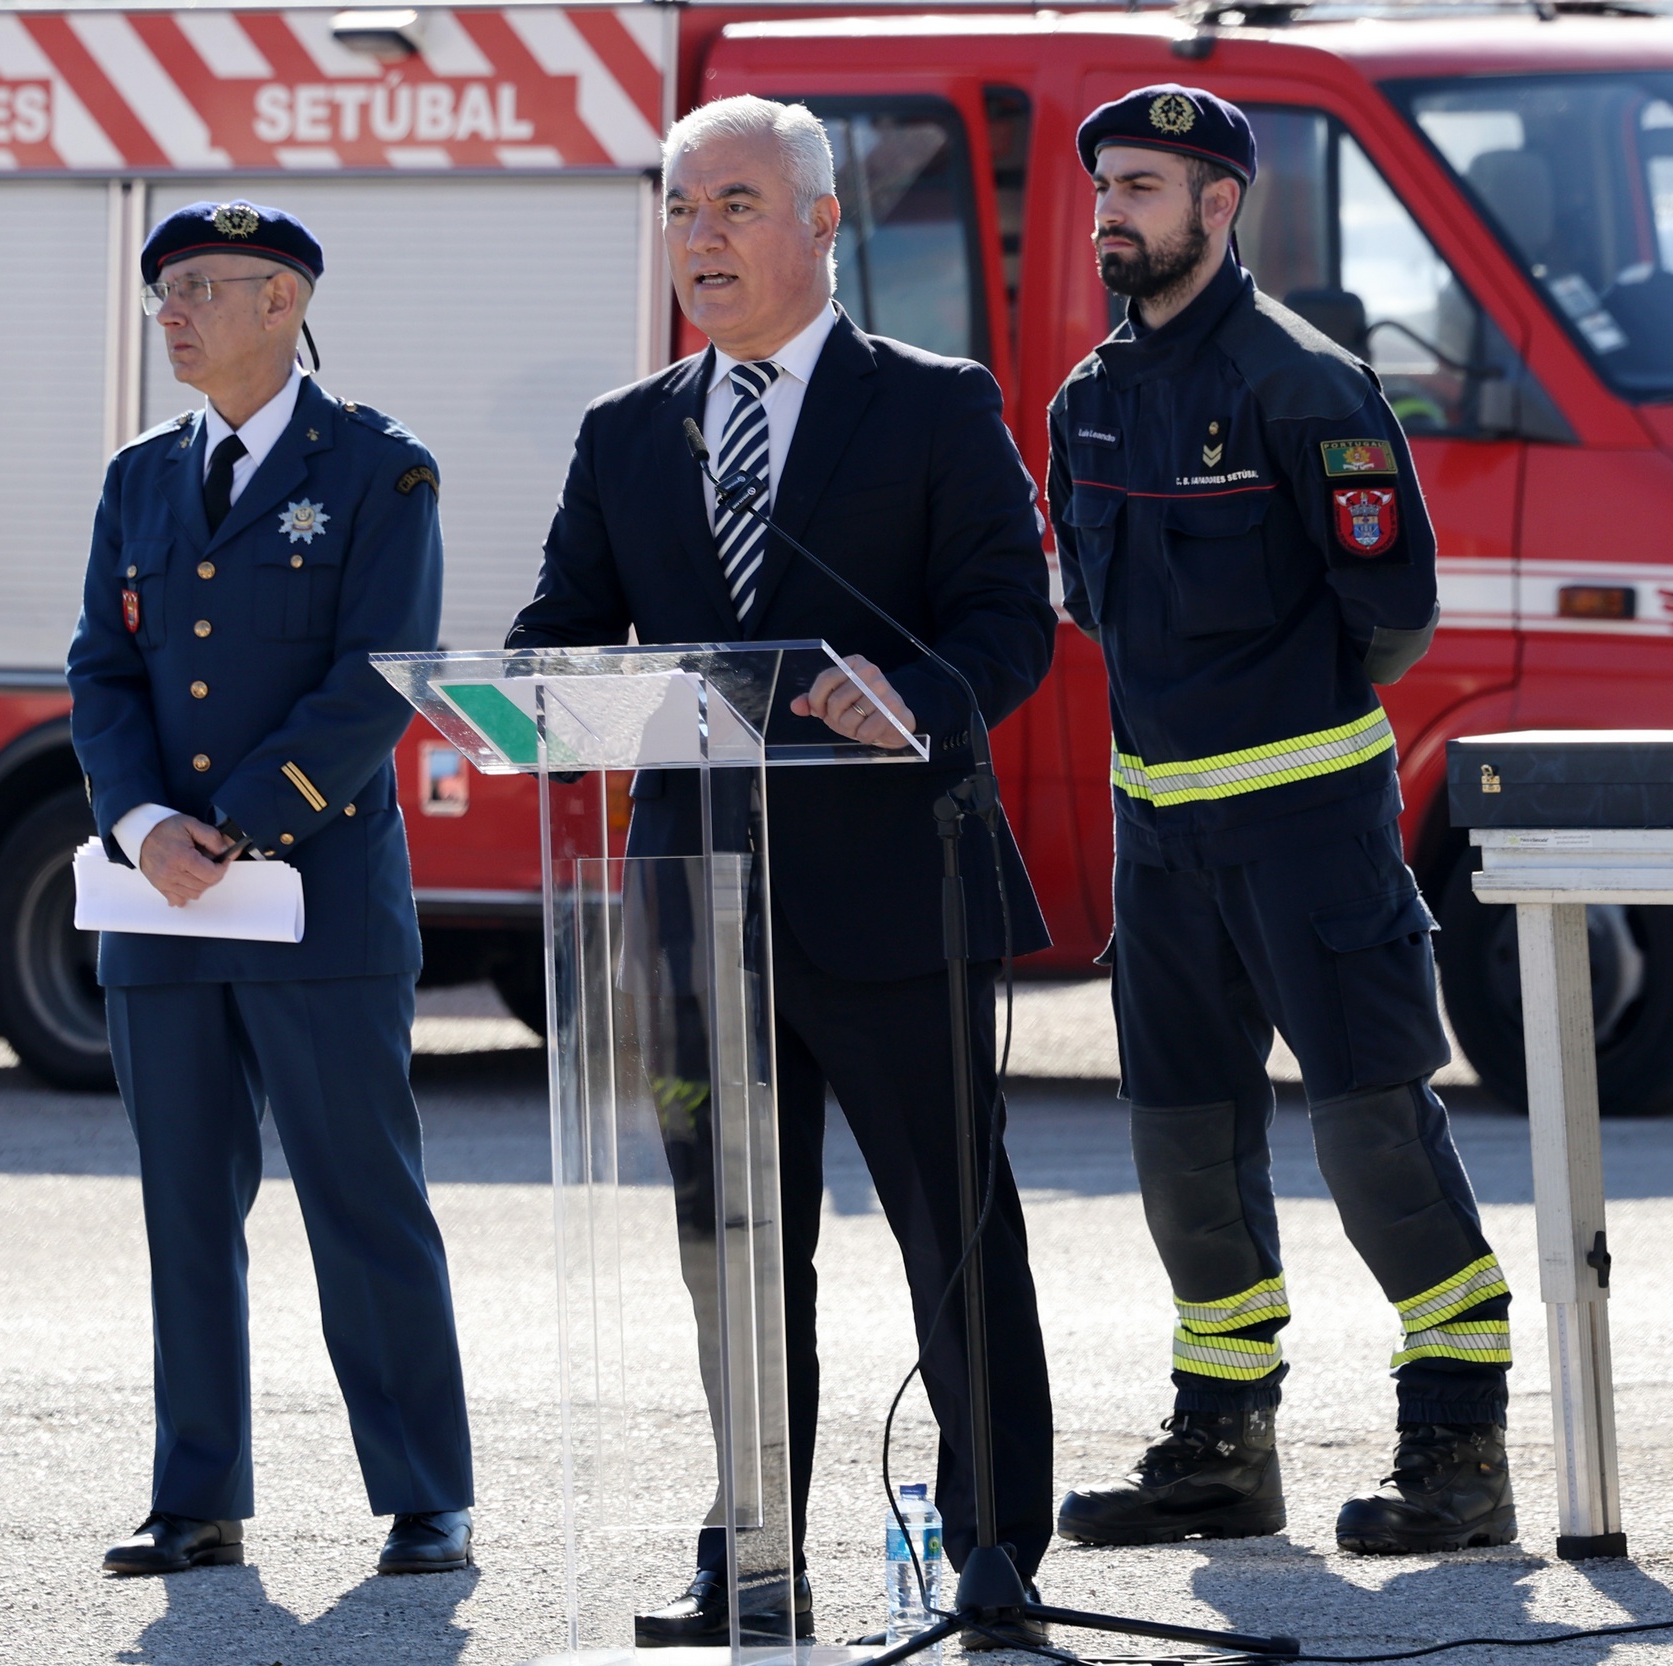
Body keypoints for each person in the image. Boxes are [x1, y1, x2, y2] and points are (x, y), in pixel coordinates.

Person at [509, 95, 1061, 1647]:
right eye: (683, 211)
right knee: (734, 1252)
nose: (702, 238)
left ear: (825, 224)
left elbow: (1007, 619)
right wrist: (528, 686)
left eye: (736, 206)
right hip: (698, 910)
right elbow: (564, 626)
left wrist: (916, 693)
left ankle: (994, 1552)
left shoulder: (936, 407)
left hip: (898, 897)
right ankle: (752, 1550)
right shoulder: (630, 430)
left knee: (956, 1232)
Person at [1045, 86, 1516, 1557]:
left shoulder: (1304, 386)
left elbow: (1394, 616)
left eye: (1143, 186)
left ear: (1219, 205)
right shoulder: (1086, 400)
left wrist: (1287, 736)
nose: (1113, 209)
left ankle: (1456, 1447)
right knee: (1181, 1146)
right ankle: (1223, 1447)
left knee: (1374, 1125)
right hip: (1159, 844)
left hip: (1308, 831)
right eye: (1105, 185)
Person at [66, 199, 474, 1579]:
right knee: (185, 1201)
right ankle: (198, 1497)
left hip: (313, 896)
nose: (170, 312)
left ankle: (425, 1493)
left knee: (361, 1197)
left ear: (283, 300)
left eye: (198, 287)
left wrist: (226, 826)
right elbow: (102, 672)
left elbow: (378, 678)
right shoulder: (137, 476)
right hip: (164, 909)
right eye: (163, 291)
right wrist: (137, 824)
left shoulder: (377, 468)